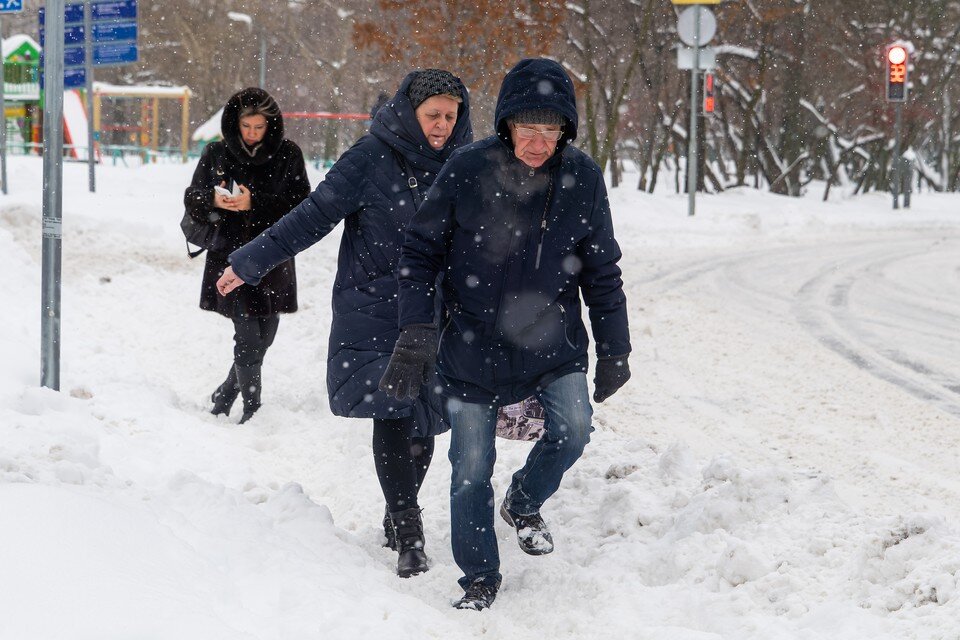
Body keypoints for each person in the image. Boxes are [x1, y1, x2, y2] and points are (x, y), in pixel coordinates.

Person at [378, 58, 632, 610]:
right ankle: (479, 577)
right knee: (470, 470)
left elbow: (603, 271)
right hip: (473, 348)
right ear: (506, 124)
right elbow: (420, 252)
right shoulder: (469, 168)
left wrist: (616, 348)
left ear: (565, 129)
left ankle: (523, 501)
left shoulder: (582, 177)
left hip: (552, 345)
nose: (539, 142)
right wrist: (418, 330)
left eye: (551, 130)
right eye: (527, 128)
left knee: (575, 430)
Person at [216, 70, 473, 578]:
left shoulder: (468, 163)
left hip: (441, 313)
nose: (442, 126)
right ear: (408, 111)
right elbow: (313, 216)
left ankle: (398, 507)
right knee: (394, 407)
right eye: (432, 116)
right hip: (375, 308)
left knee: (425, 416)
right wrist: (249, 261)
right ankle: (407, 525)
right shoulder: (371, 157)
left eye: (451, 115)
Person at [183, 88, 310, 424]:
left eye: (259, 127)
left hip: (274, 257)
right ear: (234, 123)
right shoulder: (216, 153)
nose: (253, 134)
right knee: (248, 336)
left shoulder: (289, 155)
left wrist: (256, 202)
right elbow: (192, 196)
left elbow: (302, 205)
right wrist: (214, 198)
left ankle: (226, 390)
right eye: (246, 126)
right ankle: (252, 408)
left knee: (265, 336)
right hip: (230, 257)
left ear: (271, 124)